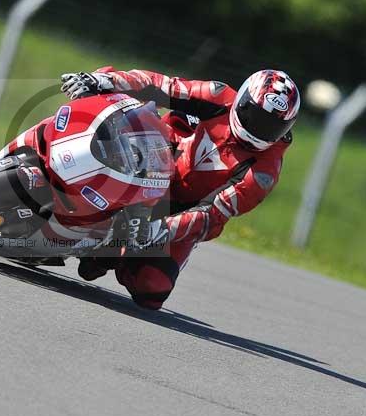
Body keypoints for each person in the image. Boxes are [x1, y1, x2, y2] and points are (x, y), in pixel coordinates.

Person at [59, 67, 300, 309]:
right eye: (254, 117)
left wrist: (157, 230)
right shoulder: (217, 96)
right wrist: (104, 80)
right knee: (122, 123)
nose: (257, 130)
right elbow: (162, 85)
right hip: (162, 162)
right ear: (242, 100)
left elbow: (210, 215)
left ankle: (112, 255)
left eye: (270, 126)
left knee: (151, 289)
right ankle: (65, 175)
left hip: (185, 211)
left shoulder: (263, 174)